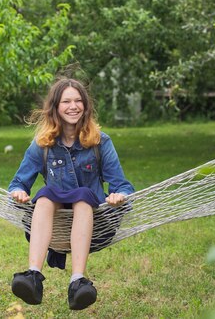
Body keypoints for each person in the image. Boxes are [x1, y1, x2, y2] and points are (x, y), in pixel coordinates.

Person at [8, 78, 135, 310]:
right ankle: (33, 276)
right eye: (66, 101)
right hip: (55, 223)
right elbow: (18, 183)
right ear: (56, 107)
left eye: (78, 101)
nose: (73, 106)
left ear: (86, 107)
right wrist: (18, 192)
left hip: (94, 223)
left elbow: (122, 185)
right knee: (45, 195)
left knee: (83, 197)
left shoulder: (100, 142)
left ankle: (78, 282)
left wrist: (119, 196)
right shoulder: (43, 143)